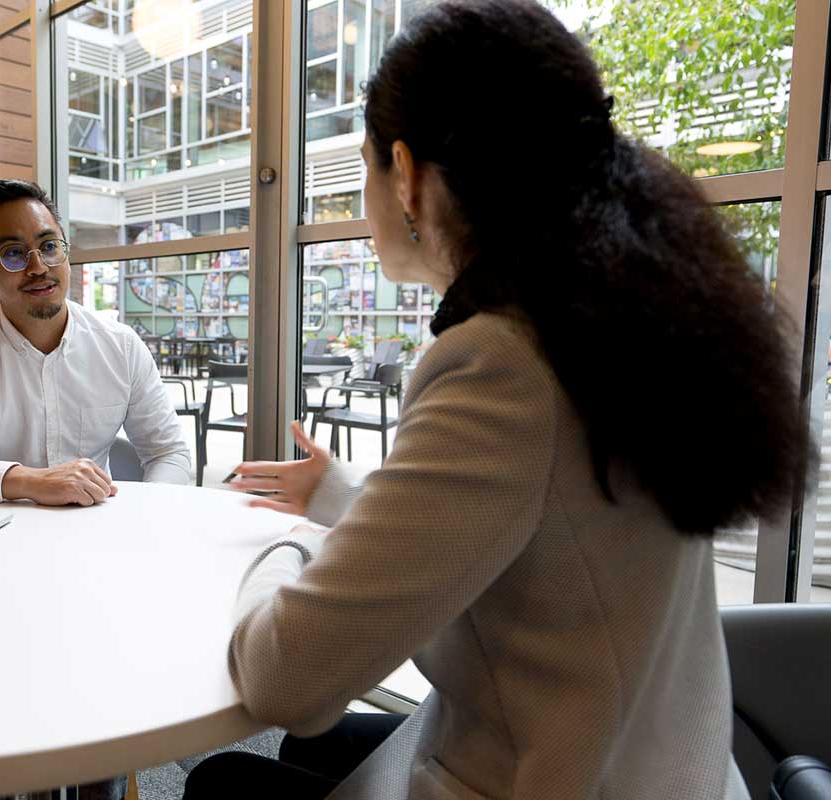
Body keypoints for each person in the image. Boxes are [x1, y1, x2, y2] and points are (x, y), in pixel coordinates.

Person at [183, 1, 813, 798]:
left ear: (406, 175)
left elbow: (285, 680)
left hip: (560, 774)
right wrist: (341, 497)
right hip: (657, 764)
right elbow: (537, 516)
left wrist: (284, 553)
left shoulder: (500, 361)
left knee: (222, 784)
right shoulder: (618, 322)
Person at [0, 179, 191, 508]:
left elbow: (168, 453)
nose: (39, 267)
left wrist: (143, 515)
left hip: (94, 534)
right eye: (13, 254)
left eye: (50, 246)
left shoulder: (120, 346)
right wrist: (26, 480)